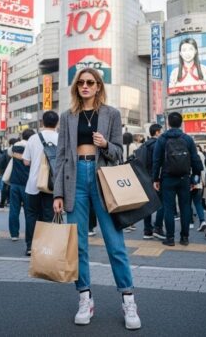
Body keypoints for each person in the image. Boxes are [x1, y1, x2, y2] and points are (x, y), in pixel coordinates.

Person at [53, 68, 140, 330]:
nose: (85, 86)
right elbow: (60, 158)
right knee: (78, 245)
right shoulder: (67, 117)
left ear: (99, 86)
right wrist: (57, 192)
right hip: (74, 178)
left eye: (90, 82)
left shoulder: (111, 114)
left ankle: (128, 300)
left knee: (115, 244)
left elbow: (118, 154)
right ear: (76, 87)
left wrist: (104, 145)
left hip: (103, 179)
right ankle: (85, 298)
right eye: (81, 83)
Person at [152, 112, 203, 246]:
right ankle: (184, 238)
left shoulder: (162, 139)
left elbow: (156, 161)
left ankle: (170, 238)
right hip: (184, 178)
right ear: (181, 123)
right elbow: (195, 160)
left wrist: (155, 179)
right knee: (185, 207)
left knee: (168, 208)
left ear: (168, 123)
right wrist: (194, 180)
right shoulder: (187, 139)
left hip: (167, 178)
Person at [23, 111, 59, 256]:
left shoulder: (33, 138)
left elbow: (26, 161)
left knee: (31, 215)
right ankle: (45, 247)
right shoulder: (61, 138)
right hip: (52, 184)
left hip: (33, 184)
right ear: (57, 123)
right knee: (48, 216)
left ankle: (30, 246)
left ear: (42, 122)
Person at [138, 124, 163, 240]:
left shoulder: (144, 144)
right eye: (161, 131)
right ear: (157, 132)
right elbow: (157, 162)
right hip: (154, 177)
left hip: (144, 177)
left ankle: (147, 231)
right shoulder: (157, 144)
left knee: (147, 205)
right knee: (162, 203)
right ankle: (158, 228)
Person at [8, 129, 33, 242]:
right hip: (27, 183)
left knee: (14, 209)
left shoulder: (14, 147)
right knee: (29, 211)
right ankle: (29, 235)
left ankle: (14, 234)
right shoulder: (31, 146)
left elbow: (8, 154)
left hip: (14, 182)